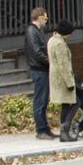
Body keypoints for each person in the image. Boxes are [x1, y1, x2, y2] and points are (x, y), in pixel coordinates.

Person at [24, 7, 54, 139]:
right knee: (40, 100)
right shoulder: (32, 31)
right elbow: (37, 51)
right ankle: (41, 130)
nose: (46, 21)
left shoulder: (36, 31)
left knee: (43, 100)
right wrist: (50, 62)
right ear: (40, 17)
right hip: (39, 69)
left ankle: (45, 129)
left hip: (41, 69)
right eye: (45, 18)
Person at [47, 20, 77, 142]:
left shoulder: (52, 40)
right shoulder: (60, 44)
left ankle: (63, 132)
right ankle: (65, 128)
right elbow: (63, 65)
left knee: (66, 104)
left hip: (55, 77)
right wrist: (70, 83)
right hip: (62, 79)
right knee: (75, 103)